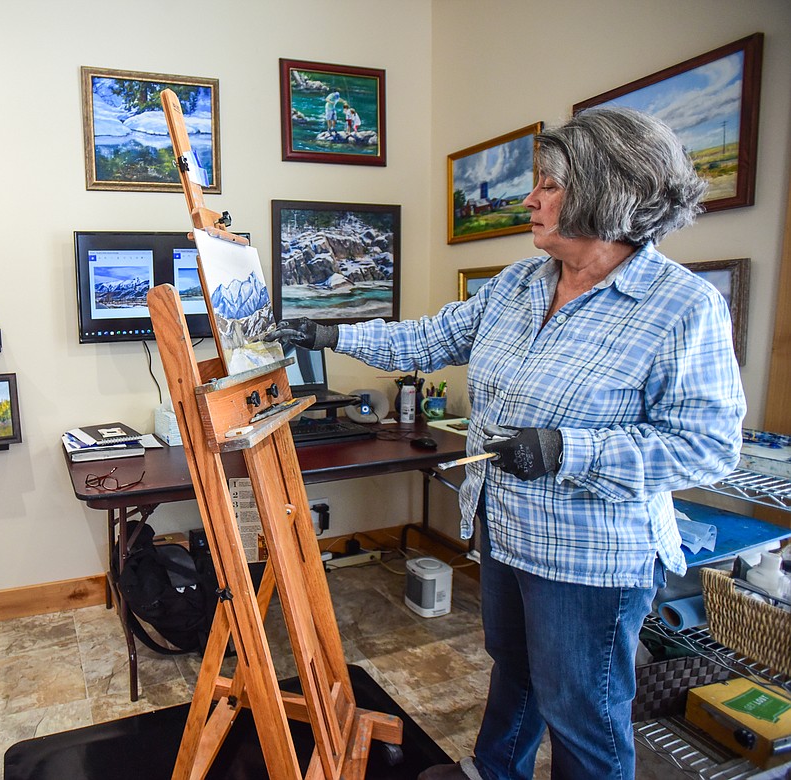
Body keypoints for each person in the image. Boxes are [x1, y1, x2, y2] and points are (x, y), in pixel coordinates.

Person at [265, 106, 745, 780]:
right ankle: (493, 772)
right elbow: (428, 340)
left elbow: (707, 444)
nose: (531, 198)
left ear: (609, 189)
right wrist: (329, 333)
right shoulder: (520, 283)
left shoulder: (682, 306)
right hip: (507, 530)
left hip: (591, 561)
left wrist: (566, 452)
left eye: (551, 185)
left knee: (583, 715)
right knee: (514, 673)